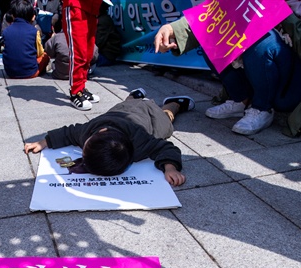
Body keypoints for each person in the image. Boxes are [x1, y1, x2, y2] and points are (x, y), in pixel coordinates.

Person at [154, 5, 301, 136]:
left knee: (260, 38)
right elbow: (216, 11)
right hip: (259, 71)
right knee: (212, 33)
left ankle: (262, 108)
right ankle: (240, 99)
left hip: (298, 80)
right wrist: (172, 29)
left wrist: (276, 6)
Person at [23, 89, 195, 187]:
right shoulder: (87, 132)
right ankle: (135, 95)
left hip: (151, 115)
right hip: (123, 109)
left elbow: (167, 148)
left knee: (166, 121)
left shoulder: (141, 142)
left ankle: (174, 103)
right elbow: (68, 132)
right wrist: (42, 142)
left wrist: (170, 168)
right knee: (126, 102)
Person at [61, 0, 103, 111]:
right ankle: (75, 91)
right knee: (78, 52)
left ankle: (81, 88)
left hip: (93, 8)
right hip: (76, 5)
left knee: (88, 53)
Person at [2, 0, 50, 79]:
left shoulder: (6, 30)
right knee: (45, 56)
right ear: (31, 16)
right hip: (30, 72)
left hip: (10, 72)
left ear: (13, 15)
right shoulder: (34, 31)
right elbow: (40, 53)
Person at [44, 16, 98, 80]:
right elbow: (95, 55)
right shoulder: (85, 37)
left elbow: (48, 51)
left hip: (61, 73)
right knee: (93, 64)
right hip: (81, 73)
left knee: (54, 62)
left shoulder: (57, 37)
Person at [95, 1, 121, 67]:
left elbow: (98, 42)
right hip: (103, 53)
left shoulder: (103, 20)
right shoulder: (100, 19)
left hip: (106, 56)